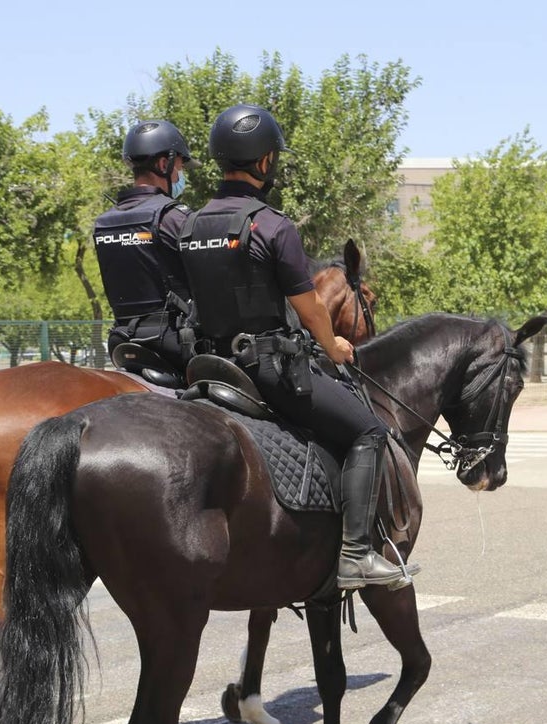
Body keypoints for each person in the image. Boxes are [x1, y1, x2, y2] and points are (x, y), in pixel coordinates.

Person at [180, 103, 417, 591]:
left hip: (206, 365)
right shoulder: (272, 225)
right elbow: (309, 308)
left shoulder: (189, 225)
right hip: (265, 368)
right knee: (370, 432)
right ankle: (354, 555)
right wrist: (334, 347)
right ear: (264, 161)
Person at [94, 119, 201, 369]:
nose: (179, 176)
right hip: (174, 344)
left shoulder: (103, 222)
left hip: (122, 340)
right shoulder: (174, 217)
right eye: (179, 169)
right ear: (164, 164)